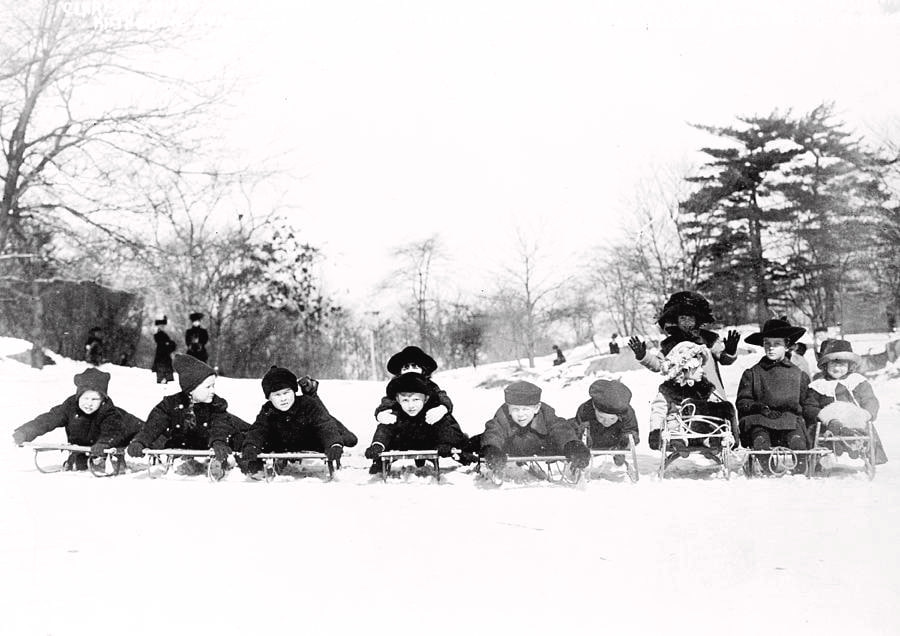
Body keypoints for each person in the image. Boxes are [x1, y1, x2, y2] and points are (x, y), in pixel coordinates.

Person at [126, 354, 241, 479]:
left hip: (209, 443)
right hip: (183, 444)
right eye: (208, 387)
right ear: (191, 389)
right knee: (163, 441)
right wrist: (140, 441)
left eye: (213, 386)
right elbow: (153, 425)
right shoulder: (171, 404)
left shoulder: (216, 405)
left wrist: (218, 442)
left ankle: (225, 464)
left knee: (240, 434)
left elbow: (220, 425)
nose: (212, 390)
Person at [12, 368, 143, 470]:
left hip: (121, 435)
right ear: (78, 397)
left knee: (148, 434)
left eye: (94, 399)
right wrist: (25, 432)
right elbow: (48, 420)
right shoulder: (69, 407)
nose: (89, 403)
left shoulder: (109, 411)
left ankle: (113, 459)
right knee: (80, 465)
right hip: (85, 444)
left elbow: (113, 430)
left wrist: (105, 443)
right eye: (85, 398)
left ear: (103, 400)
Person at [239, 366, 348, 477]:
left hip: (311, 440)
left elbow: (324, 425)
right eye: (277, 395)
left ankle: (313, 393)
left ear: (294, 391)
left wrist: (334, 443)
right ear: (269, 398)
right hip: (283, 443)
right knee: (248, 439)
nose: (283, 399)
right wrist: (251, 446)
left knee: (349, 439)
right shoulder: (268, 410)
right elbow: (258, 430)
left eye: (286, 393)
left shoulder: (308, 404)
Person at [736, 319, 819, 463]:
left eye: (777, 344)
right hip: (760, 420)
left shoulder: (799, 375)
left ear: (787, 346)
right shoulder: (752, 373)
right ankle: (765, 468)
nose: (771, 348)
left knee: (797, 441)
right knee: (760, 439)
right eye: (767, 343)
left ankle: (800, 469)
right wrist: (758, 407)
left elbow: (807, 404)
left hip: (790, 421)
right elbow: (743, 401)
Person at [628, 291, 739, 395]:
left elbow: (725, 360)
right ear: (676, 321)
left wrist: (730, 350)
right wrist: (643, 355)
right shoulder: (670, 343)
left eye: (690, 318)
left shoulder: (708, 338)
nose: (686, 323)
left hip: (711, 392)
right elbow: (659, 365)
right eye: (682, 318)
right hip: (681, 394)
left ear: (697, 320)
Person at [364, 373, 469, 475]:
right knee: (388, 421)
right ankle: (379, 461)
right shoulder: (396, 412)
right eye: (405, 400)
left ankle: (463, 455)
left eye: (416, 400)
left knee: (444, 424)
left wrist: (447, 444)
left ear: (426, 399)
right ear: (397, 400)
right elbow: (384, 429)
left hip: (429, 443)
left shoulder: (431, 413)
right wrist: (378, 445)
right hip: (403, 443)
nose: (411, 405)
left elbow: (445, 424)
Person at [647, 342, 736, 459]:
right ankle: (679, 443)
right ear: (684, 369)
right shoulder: (669, 390)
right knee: (674, 427)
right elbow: (658, 411)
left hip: (701, 431)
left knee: (714, 411)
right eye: (698, 368)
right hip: (679, 430)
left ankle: (711, 441)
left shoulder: (705, 388)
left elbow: (717, 404)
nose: (702, 371)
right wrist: (655, 430)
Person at [479, 380, 590, 472]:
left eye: (525, 409)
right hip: (511, 450)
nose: (521, 414)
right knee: (479, 441)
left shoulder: (547, 415)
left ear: (536, 408)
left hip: (540, 449)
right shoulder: (502, 417)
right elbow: (493, 433)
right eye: (515, 409)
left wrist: (573, 445)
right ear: (508, 409)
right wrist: (492, 450)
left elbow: (561, 429)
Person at [808, 339, 887, 465]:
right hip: (830, 422)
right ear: (825, 365)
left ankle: (855, 443)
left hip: (855, 419)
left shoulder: (857, 382)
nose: (837, 368)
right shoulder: (819, 386)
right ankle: (837, 448)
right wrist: (821, 415)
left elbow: (870, 400)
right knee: (831, 426)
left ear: (850, 366)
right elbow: (810, 406)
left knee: (860, 424)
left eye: (842, 365)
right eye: (833, 364)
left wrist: (867, 413)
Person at [374, 345, 453, 425]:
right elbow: (387, 402)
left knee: (444, 419)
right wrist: (380, 414)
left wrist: (442, 409)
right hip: (404, 428)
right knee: (386, 421)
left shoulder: (430, 385)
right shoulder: (396, 387)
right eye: (406, 368)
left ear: (423, 370)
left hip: (427, 426)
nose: (410, 371)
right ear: (400, 372)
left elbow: (443, 397)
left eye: (415, 367)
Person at [573, 379, 638, 466]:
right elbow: (577, 429)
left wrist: (623, 445)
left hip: (615, 438)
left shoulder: (627, 412)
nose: (606, 422)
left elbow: (632, 431)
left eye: (611, 419)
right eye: (601, 417)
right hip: (593, 436)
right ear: (594, 408)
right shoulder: (585, 409)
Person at [151, 316, 177, 384]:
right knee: (161, 370)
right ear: (158, 326)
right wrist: (168, 344)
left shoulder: (164, 334)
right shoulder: (158, 334)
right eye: (161, 325)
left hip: (165, 356)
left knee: (166, 371)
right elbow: (163, 344)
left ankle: (165, 379)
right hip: (161, 355)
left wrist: (170, 344)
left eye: (163, 325)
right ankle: (162, 379)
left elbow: (168, 344)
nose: (162, 327)